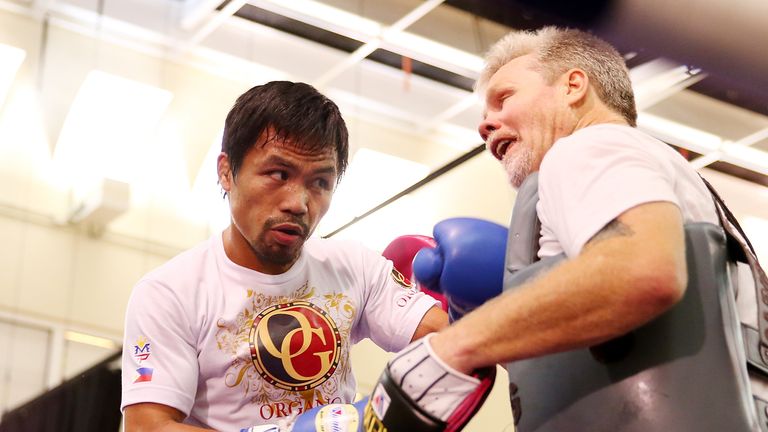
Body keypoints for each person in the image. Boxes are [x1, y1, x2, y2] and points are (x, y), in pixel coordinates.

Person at [411, 26, 766, 430]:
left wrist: (450, 348)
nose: (485, 125)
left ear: (573, 86)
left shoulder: (588, 147)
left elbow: (642, 270)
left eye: (504, 98)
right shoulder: (665, 171)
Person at [119, 81, 447, 431]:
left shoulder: (355, 267)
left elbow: (453, 341)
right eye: (279, 174)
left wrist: (498, 292)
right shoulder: (169, 292)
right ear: (227, 172)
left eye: (320, 182)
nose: (299, 203)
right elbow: (147, 427)